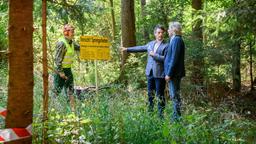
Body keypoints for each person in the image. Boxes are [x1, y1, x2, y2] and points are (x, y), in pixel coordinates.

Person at [121, 24, 168, 118]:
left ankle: (161, 117)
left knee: (160, 96)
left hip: (159, 75)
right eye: (158, 32)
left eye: (162, 33)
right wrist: (127, 49)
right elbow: (140, 48)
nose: (160, 34)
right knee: (150, 95)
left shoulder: (166, 45)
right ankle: (150, 115)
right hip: (150, 73)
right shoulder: (150, 44)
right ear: (155, 34)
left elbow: (166, 59)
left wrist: (154, 55)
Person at [53, 24, 80, 111]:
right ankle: (51, 108)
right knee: (57, 91)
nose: (73, 34)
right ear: (66, 33)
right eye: (72, 32)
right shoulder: (62, 43)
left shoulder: (71, 43)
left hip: (68, 70)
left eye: (73, 32)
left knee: (70, 90)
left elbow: (79, 47)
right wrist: (60, 72)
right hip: (60, 71)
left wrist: (89, 46)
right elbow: (57, 59)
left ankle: (73, 111)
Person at [164, 22, 185, 122]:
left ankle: (176, 119)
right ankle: (176, 116)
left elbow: (174, 59)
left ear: (174, 30)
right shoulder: (174, 39)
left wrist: (169, 73)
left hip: (174, 74)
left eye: (169, 29)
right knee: (174, 95)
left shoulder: (176, 40)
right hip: (174, 73)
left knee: (175, 95)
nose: (168, 30)